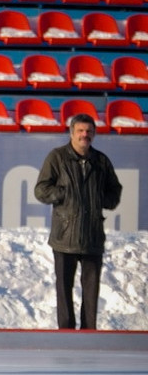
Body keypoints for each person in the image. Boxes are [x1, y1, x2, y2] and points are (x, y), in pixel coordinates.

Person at [34, 113, 123, 330]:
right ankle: (66, 332)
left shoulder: (101, 161)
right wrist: (64, 193)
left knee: (91, 291)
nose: (85, 135)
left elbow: (115, 190)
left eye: (89, 131)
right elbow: (41, 190)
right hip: (65, 236)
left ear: (94, 134)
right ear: (72, 133)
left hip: (92, 235)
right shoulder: (57, 157)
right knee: (64, 289)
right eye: (81, 131)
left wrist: (101, 199)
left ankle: (89, 332)